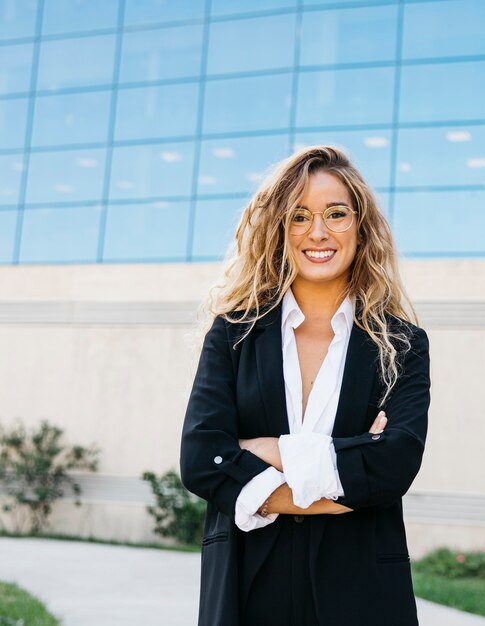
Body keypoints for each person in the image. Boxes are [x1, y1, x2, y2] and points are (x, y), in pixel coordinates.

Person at [180, 145, 431, 626]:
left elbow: (393, 464)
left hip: (360, 592)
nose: (318, 232)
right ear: (279, 230)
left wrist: (258, 448)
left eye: (336, 214)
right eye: (299, 217)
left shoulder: (402, 345)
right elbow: (200, 458)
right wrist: (337, 480)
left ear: (361, 226)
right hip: (246, 584)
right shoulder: (234, 333)